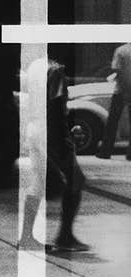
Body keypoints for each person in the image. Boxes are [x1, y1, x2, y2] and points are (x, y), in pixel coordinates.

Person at [19, 57, 90, 253]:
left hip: (35, 130)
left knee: (39, 182)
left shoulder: (34, 67)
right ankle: (64, 236)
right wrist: (64, 135)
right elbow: (56, 104)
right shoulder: (55, 69)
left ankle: (28, 236)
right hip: (50, 133)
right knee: (76, 180)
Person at [97, 42, 131, 159]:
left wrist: (125, 87)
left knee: (112, 122)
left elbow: (118, 70)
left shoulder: (121, 50)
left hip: (120, 90)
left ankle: (105, 152)